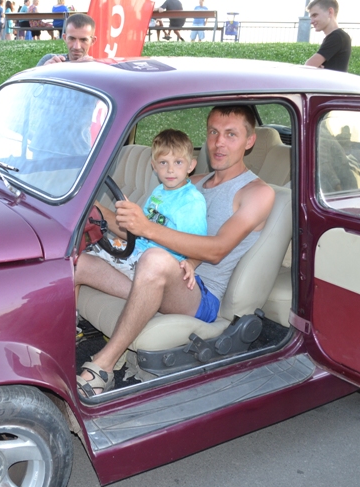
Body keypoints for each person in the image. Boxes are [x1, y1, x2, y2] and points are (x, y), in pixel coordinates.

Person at [75, 106, 275, 396]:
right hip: (150, 272)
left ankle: (102, 367)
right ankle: (57, 339)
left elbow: (217, 250)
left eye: (231, 134)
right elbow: (143, 233)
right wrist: (104, 214)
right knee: (77, 260)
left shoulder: (256, 193)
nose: (219, 142)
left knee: (155, 260)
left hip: (199, 295)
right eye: (213, 132)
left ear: (249, 140)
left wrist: (146, 228)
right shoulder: (190, 181)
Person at [83, 128, 207, 290]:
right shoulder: (159, 191)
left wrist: (191, 263)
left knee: (80, 257)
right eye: (163, 163)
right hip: (137, 253)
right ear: (154, 166)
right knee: (78, 252)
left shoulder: (191, 201)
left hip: (158, 265)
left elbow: (199, 246)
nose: (170, 170)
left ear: (191, 166)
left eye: (178, 162)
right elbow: (145, 227)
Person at [304, 0, 351, 72]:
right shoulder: (337, 36)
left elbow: (308, 67)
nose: (311, 21)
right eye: (311, 17)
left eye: (315, 15)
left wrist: (315, 69)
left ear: (330, 12)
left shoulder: (337, 36)